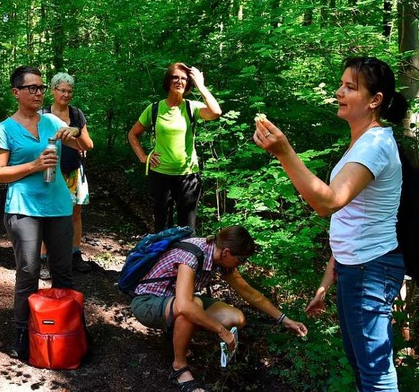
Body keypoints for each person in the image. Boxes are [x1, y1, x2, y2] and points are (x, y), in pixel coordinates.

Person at [254, 57, 409, 391]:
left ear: (375, 100)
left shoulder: (375, 145)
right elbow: (353, 220)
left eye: (350, 87)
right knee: (361, 364)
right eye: (340, 84)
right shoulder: (363, 142)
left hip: (371, 269)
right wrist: (328, 280)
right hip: (358, 269)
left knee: (376, 374)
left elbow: (328, 202)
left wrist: (284, 152)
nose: (339, 92)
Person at [0, 66, 91, 360]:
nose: (37, 92)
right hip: (24, 208)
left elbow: (85, 145)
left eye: (40, 87)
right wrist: (34, 166)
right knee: (28, 272)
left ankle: (71, 329)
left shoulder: (50, 120)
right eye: (31, 88)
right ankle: (24, 331)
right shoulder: (5, 128)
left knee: (63, 271)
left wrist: (76, 132)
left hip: (59, 205)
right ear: (16, 92)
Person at [131, 226, 307, 392]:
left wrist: (285, 319)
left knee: (235, 318)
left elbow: (249, 293)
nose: (242, 264)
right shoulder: (190, 256)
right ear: (227, 252)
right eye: (242, 259)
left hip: (174, 301)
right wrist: (221, 331)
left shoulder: (221, 259)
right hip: (147, 303)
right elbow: (184, 305)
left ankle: (176, 334)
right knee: (192, 307)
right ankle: (179, 367)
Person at [128, 63, 222, 232]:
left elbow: (216, 112)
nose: (179, 81)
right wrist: (144, 157)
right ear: (168, 81)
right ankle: (164, 258)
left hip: (188, 176)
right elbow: (133, 134)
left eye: (184, 79)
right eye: (175, 77)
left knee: (187, 228)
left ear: (188, 83)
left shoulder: (191, 107)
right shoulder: (154, 109)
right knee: (162, 227)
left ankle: (185, 259)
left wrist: (200, 85)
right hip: (160, 175)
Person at [39, 72, 94, 279]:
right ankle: (44, 258)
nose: (66, 94)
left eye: (70, 91)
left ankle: (74, 254)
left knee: (75, 214)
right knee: (46, 214)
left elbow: (89, 145)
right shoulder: (42, 114)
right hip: (50, 171)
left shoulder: (76, 114)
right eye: (62, 90)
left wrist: (77, 132)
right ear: (53, 91)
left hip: (73, 170)